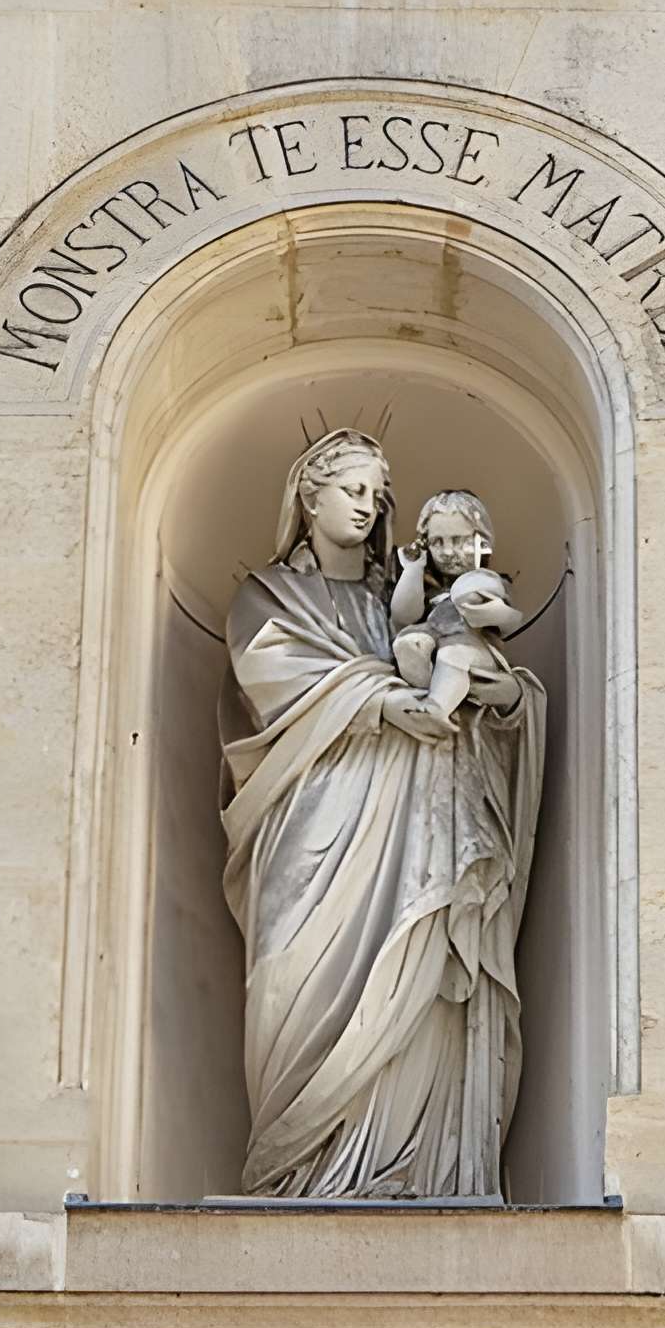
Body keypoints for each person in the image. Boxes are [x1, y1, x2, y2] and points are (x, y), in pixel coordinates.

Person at [220, 429, 544, 1199]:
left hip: (423, 815)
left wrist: (506, 700)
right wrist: (387, 700)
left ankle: (415, 1161)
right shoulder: (267, 596)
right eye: (352, 491)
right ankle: (299, 1163)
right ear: (310, 496)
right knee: (293, 972)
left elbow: (485, 675)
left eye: (377, 493)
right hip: (316, 811)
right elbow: (275, 680)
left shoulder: (406, 602)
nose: (368, 507)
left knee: (420, 962)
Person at [390, 491, 524, 723]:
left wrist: (492, 612)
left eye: (458, 540)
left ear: (480, 540)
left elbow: (512, 621)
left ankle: (437, 707)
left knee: (453, 654)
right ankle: (426, 686)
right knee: (408, 642)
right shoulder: (428, 589)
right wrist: (413, 569)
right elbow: (402, 616)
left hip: (473, 651)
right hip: (434, 643)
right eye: (437, 542)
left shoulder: (491, 582)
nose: (448, 552)